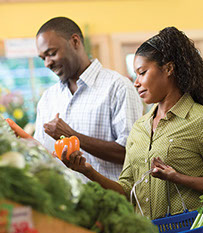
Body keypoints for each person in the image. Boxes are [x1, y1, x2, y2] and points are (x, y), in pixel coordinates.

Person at [62, 26, 203, 219]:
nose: (136, 82)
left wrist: (178, 178)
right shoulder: (139, 128)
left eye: (142, 72)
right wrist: (87, 170)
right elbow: (126, 192)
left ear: (168, 69)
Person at [34, 17, 143, 181]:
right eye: (43, 58)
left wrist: (73, 136)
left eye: (52, 53)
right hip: (65, 202)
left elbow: (132, 154)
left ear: (75, 42)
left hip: (110, 202)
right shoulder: (48, 98)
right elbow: (40, 151)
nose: (47, 63)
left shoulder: (118, 87)